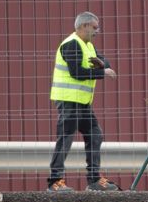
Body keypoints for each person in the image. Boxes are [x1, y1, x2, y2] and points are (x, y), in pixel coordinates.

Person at [47, 11, 119, 191]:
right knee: (66, 139)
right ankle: (55, 182)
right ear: (84, 26)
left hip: (83, 102)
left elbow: (103, 60)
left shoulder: (87, 45)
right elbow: (76, 73)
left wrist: (103, 65)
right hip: (69, 101)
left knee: (95, 135)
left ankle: (94, 180)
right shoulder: (71, 44)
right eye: (95, 27)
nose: (97, 31)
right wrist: (102, 72)